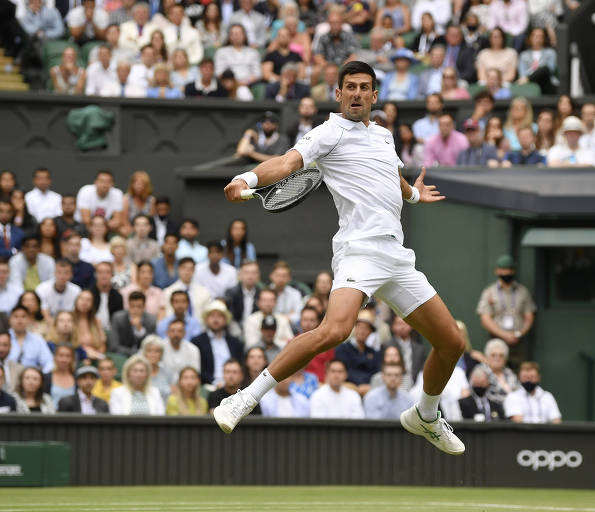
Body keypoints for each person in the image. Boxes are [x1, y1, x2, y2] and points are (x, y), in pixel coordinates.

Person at [218, 61, 466, 455]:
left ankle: (426, 415)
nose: (356, 93)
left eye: (363, 87)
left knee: (452, 343)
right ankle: (244, 397)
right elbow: (285, 164)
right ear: (338, 94)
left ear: (374, 95)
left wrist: (414, 195)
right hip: (358, 251)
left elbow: (393, 179)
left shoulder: (384, 136)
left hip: (397, 256)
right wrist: (246, 179)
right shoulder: (327, 132)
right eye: (349, 87)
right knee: (335, 331)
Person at [476, 254, 536, 368]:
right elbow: (485, 319)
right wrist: (504, 335)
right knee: (495, 369)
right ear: (497, 271)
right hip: (496, 340)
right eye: (503, 270)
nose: (506, 273)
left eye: (509, 270)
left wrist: (518, 334)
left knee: (518, 370)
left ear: (513, 271)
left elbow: (529, 317)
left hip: (517, 342)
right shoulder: (489, 292)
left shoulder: (523, 291)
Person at [191, 300, 243, 386]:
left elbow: (240, 366)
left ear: (225, 320)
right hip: (207, 386)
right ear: (206, 319)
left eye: (219, 316)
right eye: (212, 316)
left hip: (233, 386)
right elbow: (198, 369)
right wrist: (215, 383)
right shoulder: (197, 342)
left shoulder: (235, 342)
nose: (216, 319)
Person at [334, 310, 379, 394]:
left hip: (369, 389)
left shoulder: (373, 352)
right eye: (360, 327)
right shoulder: (343, 348)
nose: (362, 331)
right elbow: (343, 370)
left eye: (366, 328)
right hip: (347, 388)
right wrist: (359, 386)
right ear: (354, 328)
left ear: (370, 332)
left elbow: (376, 373)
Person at [7, 305, 54, 373]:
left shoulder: (37, 339)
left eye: (23, 317)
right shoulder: (3, 338)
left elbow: (49, 362)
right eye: (16, 317)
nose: (20, 320)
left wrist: (40, 376)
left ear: (29, 320)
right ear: (10, 320)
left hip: (31, 377)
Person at [109, 290, 156, 356]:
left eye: (139, 307)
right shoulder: (118, 318)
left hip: (144, 358)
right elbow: (114, 346)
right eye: (132, 306)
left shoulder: (151, 320)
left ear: (144, 307)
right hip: (122, 356)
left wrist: (140, 330)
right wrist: (135, 354)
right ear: (128, 305)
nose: (135, 310)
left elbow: (151, 345)